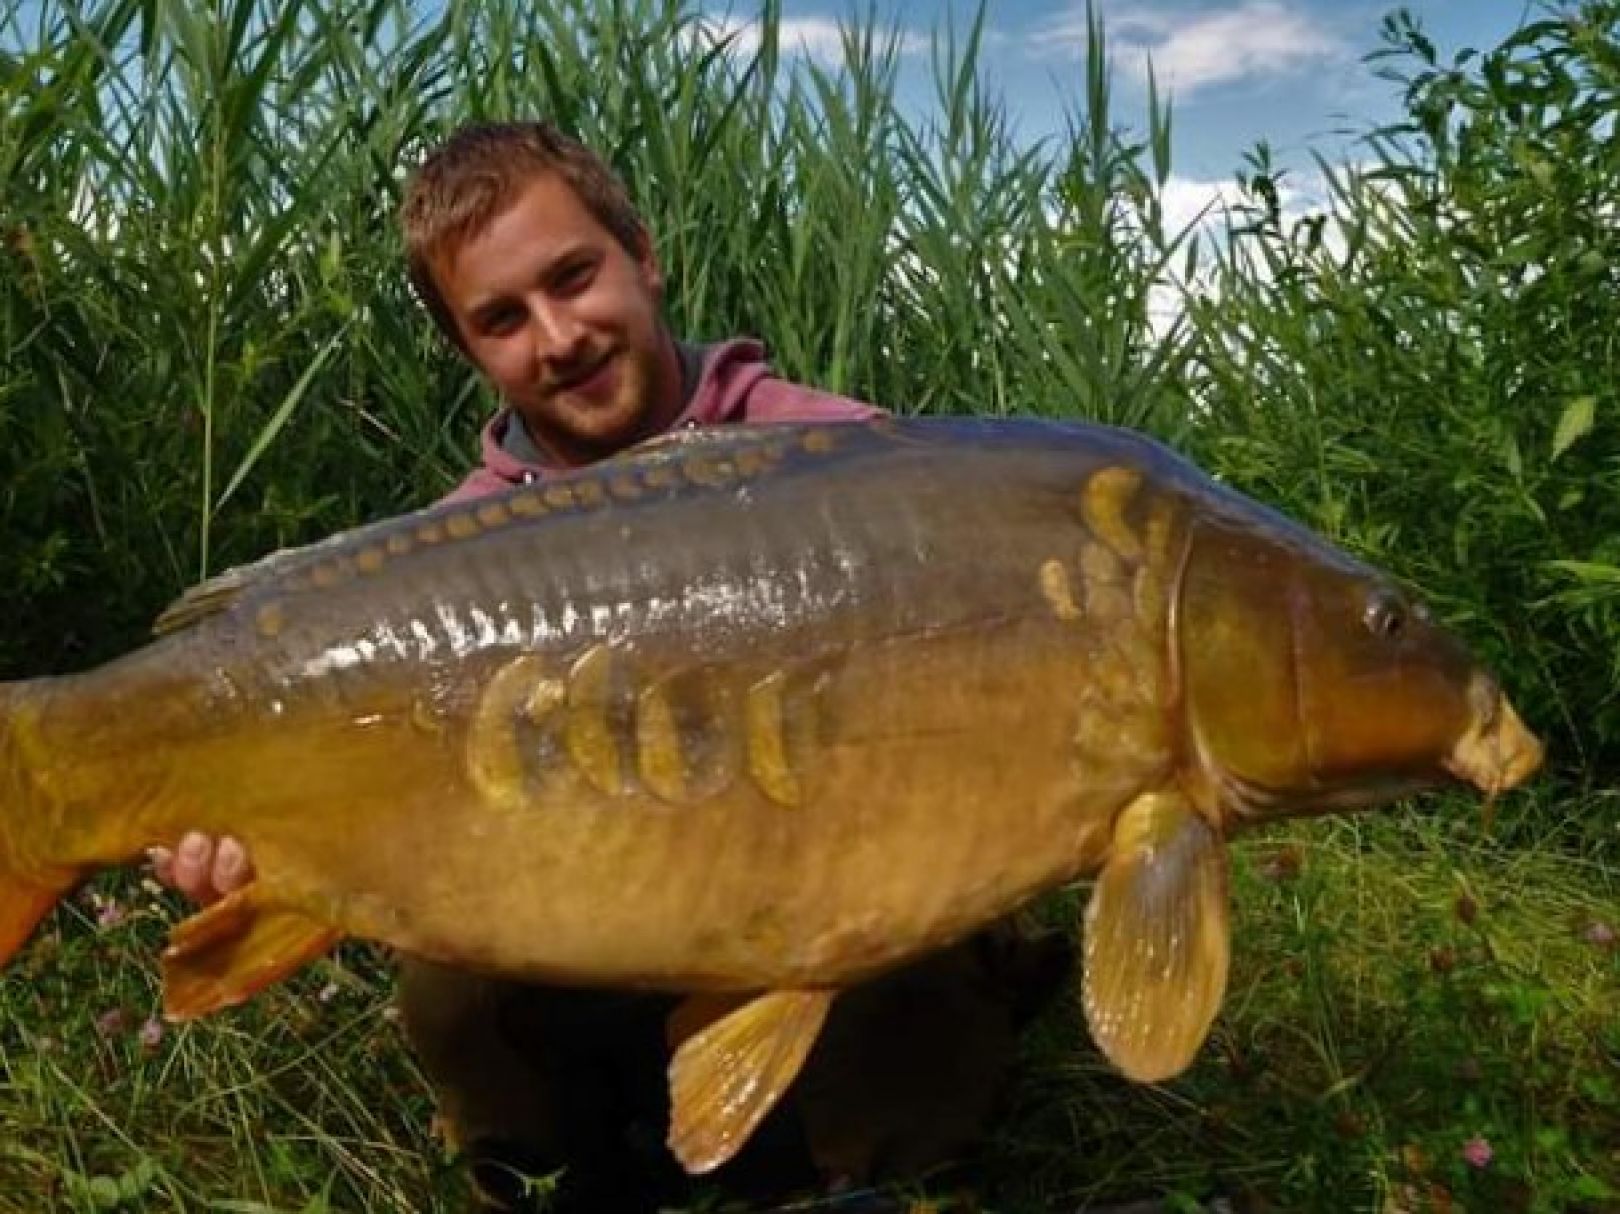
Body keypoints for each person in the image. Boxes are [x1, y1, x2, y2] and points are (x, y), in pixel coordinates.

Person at [150, 120, 1071, 1213]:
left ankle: (876, 1170)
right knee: (448, 986)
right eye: (502, 318)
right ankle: (577, 1177)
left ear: (643, 252)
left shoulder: (855, 462)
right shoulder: (447, 560)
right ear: (469, 351)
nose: (558, 335)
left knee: (914, 916)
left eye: (573, 276)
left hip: (832, 884)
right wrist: (252, 854)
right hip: (596, 909)